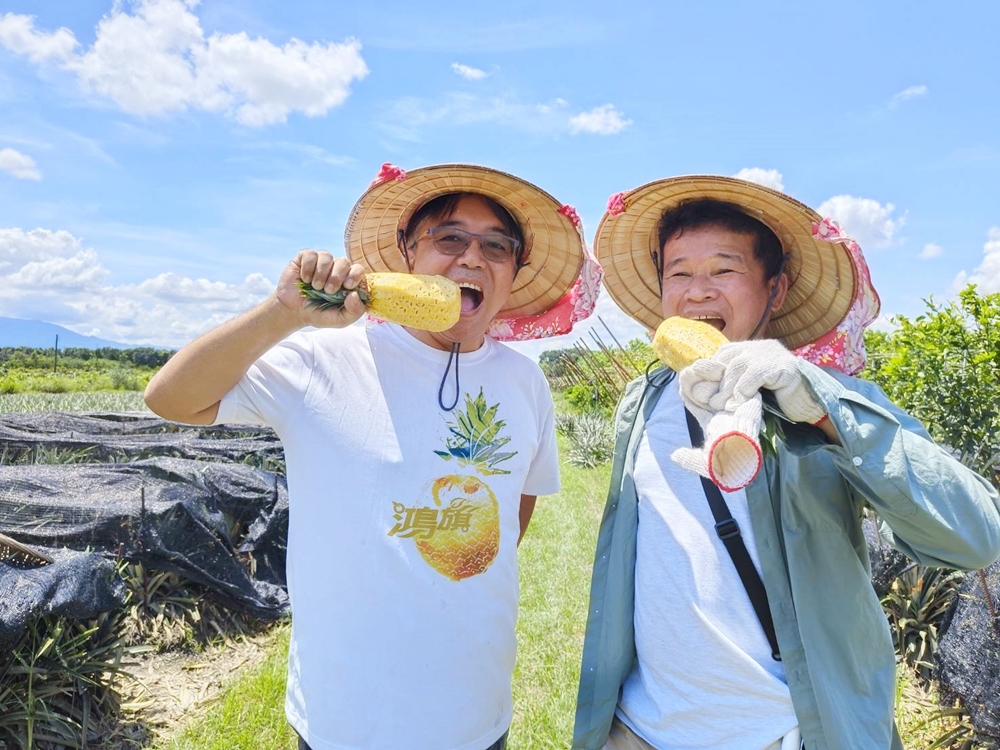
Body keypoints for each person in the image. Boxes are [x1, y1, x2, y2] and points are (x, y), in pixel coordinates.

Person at [144, 162, 600, 750]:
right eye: (449, 238)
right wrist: (282, 313)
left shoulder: (524, 381)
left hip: (475, 713)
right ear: (408, 252)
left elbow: (516, 508)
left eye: (497, 246)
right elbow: (170, 398)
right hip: (346, 719)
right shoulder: (324, 359)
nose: (472, 258)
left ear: (513, 272)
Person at [572, 175, 1000, 750]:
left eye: (723, 270)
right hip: (640, 729)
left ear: (775, 288)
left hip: (783, 732)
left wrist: (822, 410)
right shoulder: (642, 403)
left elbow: (976, 538)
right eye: (679, 273)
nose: (698, 292)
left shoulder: (831, 402)